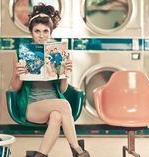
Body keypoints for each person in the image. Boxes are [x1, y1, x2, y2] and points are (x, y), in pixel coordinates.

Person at [10, 3, 90, 157]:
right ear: (31, 32)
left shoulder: (58, 52)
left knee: (57, 116)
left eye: (46, 31)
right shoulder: (21, 53)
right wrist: (17, 75)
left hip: (55, 105)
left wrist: (65, 74)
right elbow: (14, 88)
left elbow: (63, 90)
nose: (41, 35)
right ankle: (78, 150)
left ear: (51, 32)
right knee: (64, 104)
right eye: (37, 31)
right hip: (32, 107)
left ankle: (41, 155)